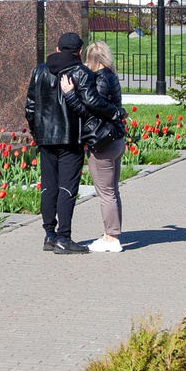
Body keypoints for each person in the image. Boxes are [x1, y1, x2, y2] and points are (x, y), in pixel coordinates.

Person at [25, 29, 88, 254]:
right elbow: (87, 108)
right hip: (70, 139)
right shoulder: (80, 72)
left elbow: (30, 107)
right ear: (79, 52)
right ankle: (64, 238)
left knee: (49, 186)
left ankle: (49, 235)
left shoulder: (39, 71)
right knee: (67, 188)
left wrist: (37, 132)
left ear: (58, 48)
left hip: (45, 138)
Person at [70, 38, 127, 254]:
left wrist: (71, 94)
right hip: (115, 139)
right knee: (112, 190)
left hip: (103, 141)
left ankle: (111, 238)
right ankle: (111, 233)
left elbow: (94, 106)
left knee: (106, 192)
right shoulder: (111, 76)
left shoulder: (100, 79)